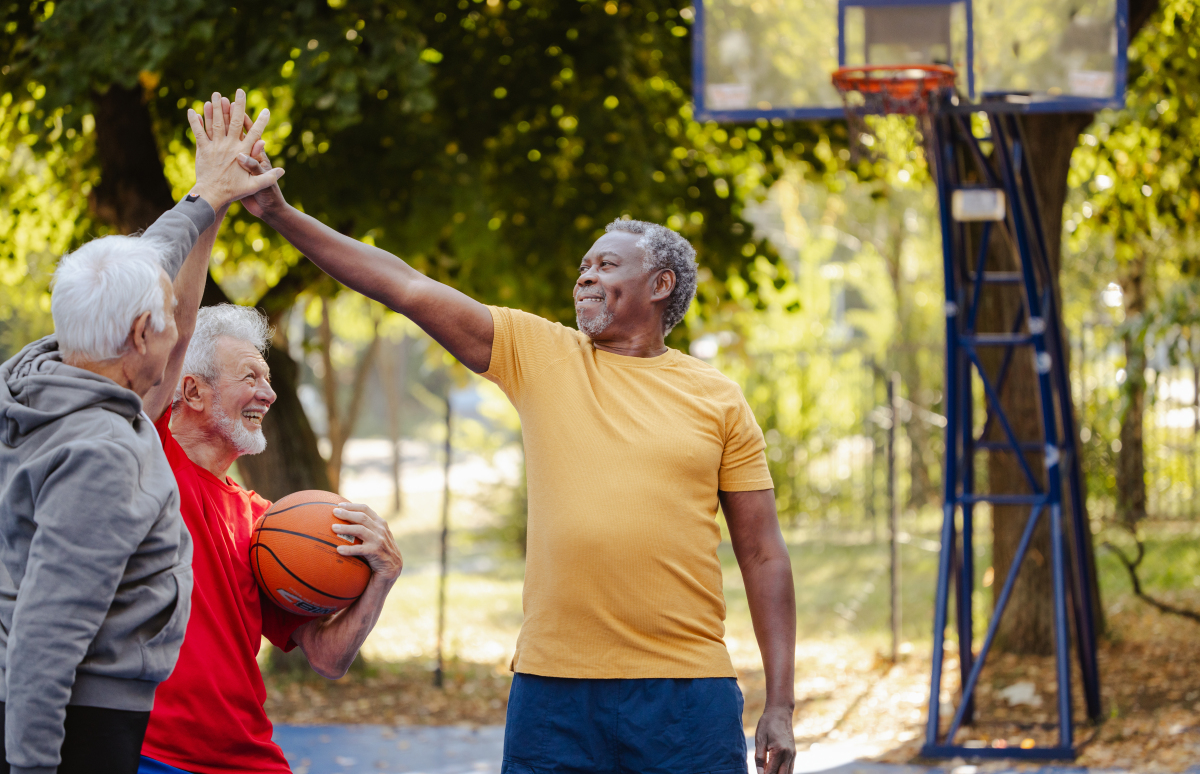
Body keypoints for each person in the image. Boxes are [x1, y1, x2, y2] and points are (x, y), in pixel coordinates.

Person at [237, 151, 799, 774]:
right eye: (583, 265)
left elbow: (764, 553)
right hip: (552, 691)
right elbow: (405, 286)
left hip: (684, 693)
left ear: (660, 286)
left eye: (607, 264)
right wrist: (278, 213)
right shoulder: (542, 353)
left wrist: (781, 703)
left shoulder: (717, 396)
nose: (585, 275)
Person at [0, 90, 283, 774]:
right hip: (78, 723)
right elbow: (47, 636)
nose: (179, 332)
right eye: (165, 324)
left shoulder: (35, 373)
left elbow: (151, 264)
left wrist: (207, 195)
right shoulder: (104, 453)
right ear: (137, 334)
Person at [136, 302, 403, 774]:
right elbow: (170, 324)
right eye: (251, 378)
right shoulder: (148, 458)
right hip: (153, 754)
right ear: (192, 390)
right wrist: (202, 224)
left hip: (247, 756)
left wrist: (383, 577)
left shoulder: (268, 528)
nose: (269, 394)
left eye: (268, 379)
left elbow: (327, 658)